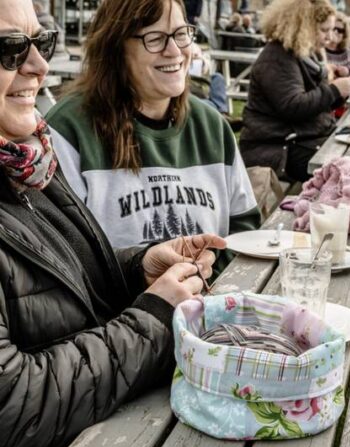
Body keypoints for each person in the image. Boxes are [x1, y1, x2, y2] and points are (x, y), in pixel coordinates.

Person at [0, 0, 226, 447]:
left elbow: (55, 289)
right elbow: (13, 405)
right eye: (9, 47)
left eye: (40, 41)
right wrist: (156, 316)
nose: (40, 65)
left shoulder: (26, 159)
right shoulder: (58, 135)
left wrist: (138, 269)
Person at [46, 0, 260, 273]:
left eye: (181, 34)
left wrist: (210, 272)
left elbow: (245, 231)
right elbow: (60, 256)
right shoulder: (68, 129)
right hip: (115, 315)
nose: (174, 51)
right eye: (155, 38)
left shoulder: (212, 127)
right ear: (117, 48)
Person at [239, 0, 350, 182]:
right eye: (324, 30)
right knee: (347, 175)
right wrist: (334, 90)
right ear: (305, 26)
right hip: (275, 150)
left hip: (297, 141)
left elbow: (314, 104)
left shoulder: (302, 54)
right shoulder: (277, 57)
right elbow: (293, 106)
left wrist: (340, 92)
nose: (330, 37)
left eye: (332, 30)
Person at [325, 12, 350, 77]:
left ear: (344, 34)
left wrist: (347, 74)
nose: (336, 32)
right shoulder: (319, 51)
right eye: (333, 29)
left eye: (340, 30)